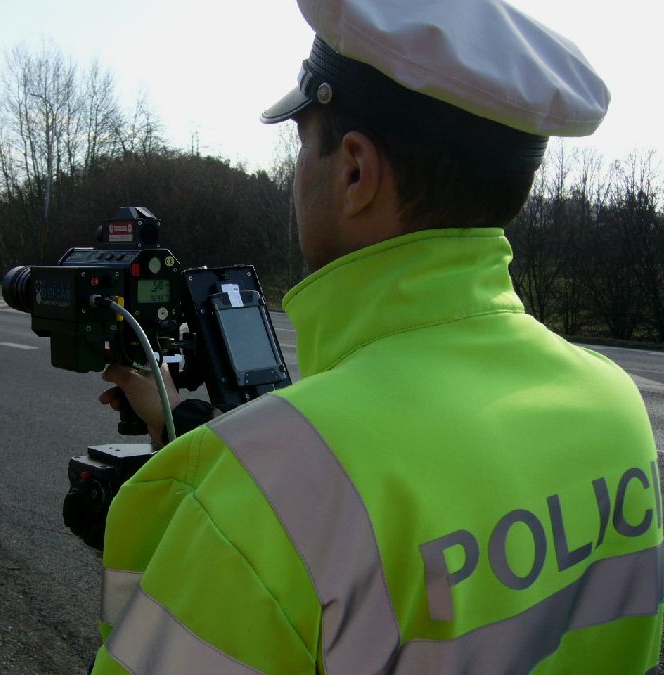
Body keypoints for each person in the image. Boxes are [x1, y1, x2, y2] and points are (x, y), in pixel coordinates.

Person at [93, 0, 664, 672]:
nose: (297, 177)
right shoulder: (615, 407)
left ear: (355, 171)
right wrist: (178, 421)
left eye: (302, 145)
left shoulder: (256, 498)